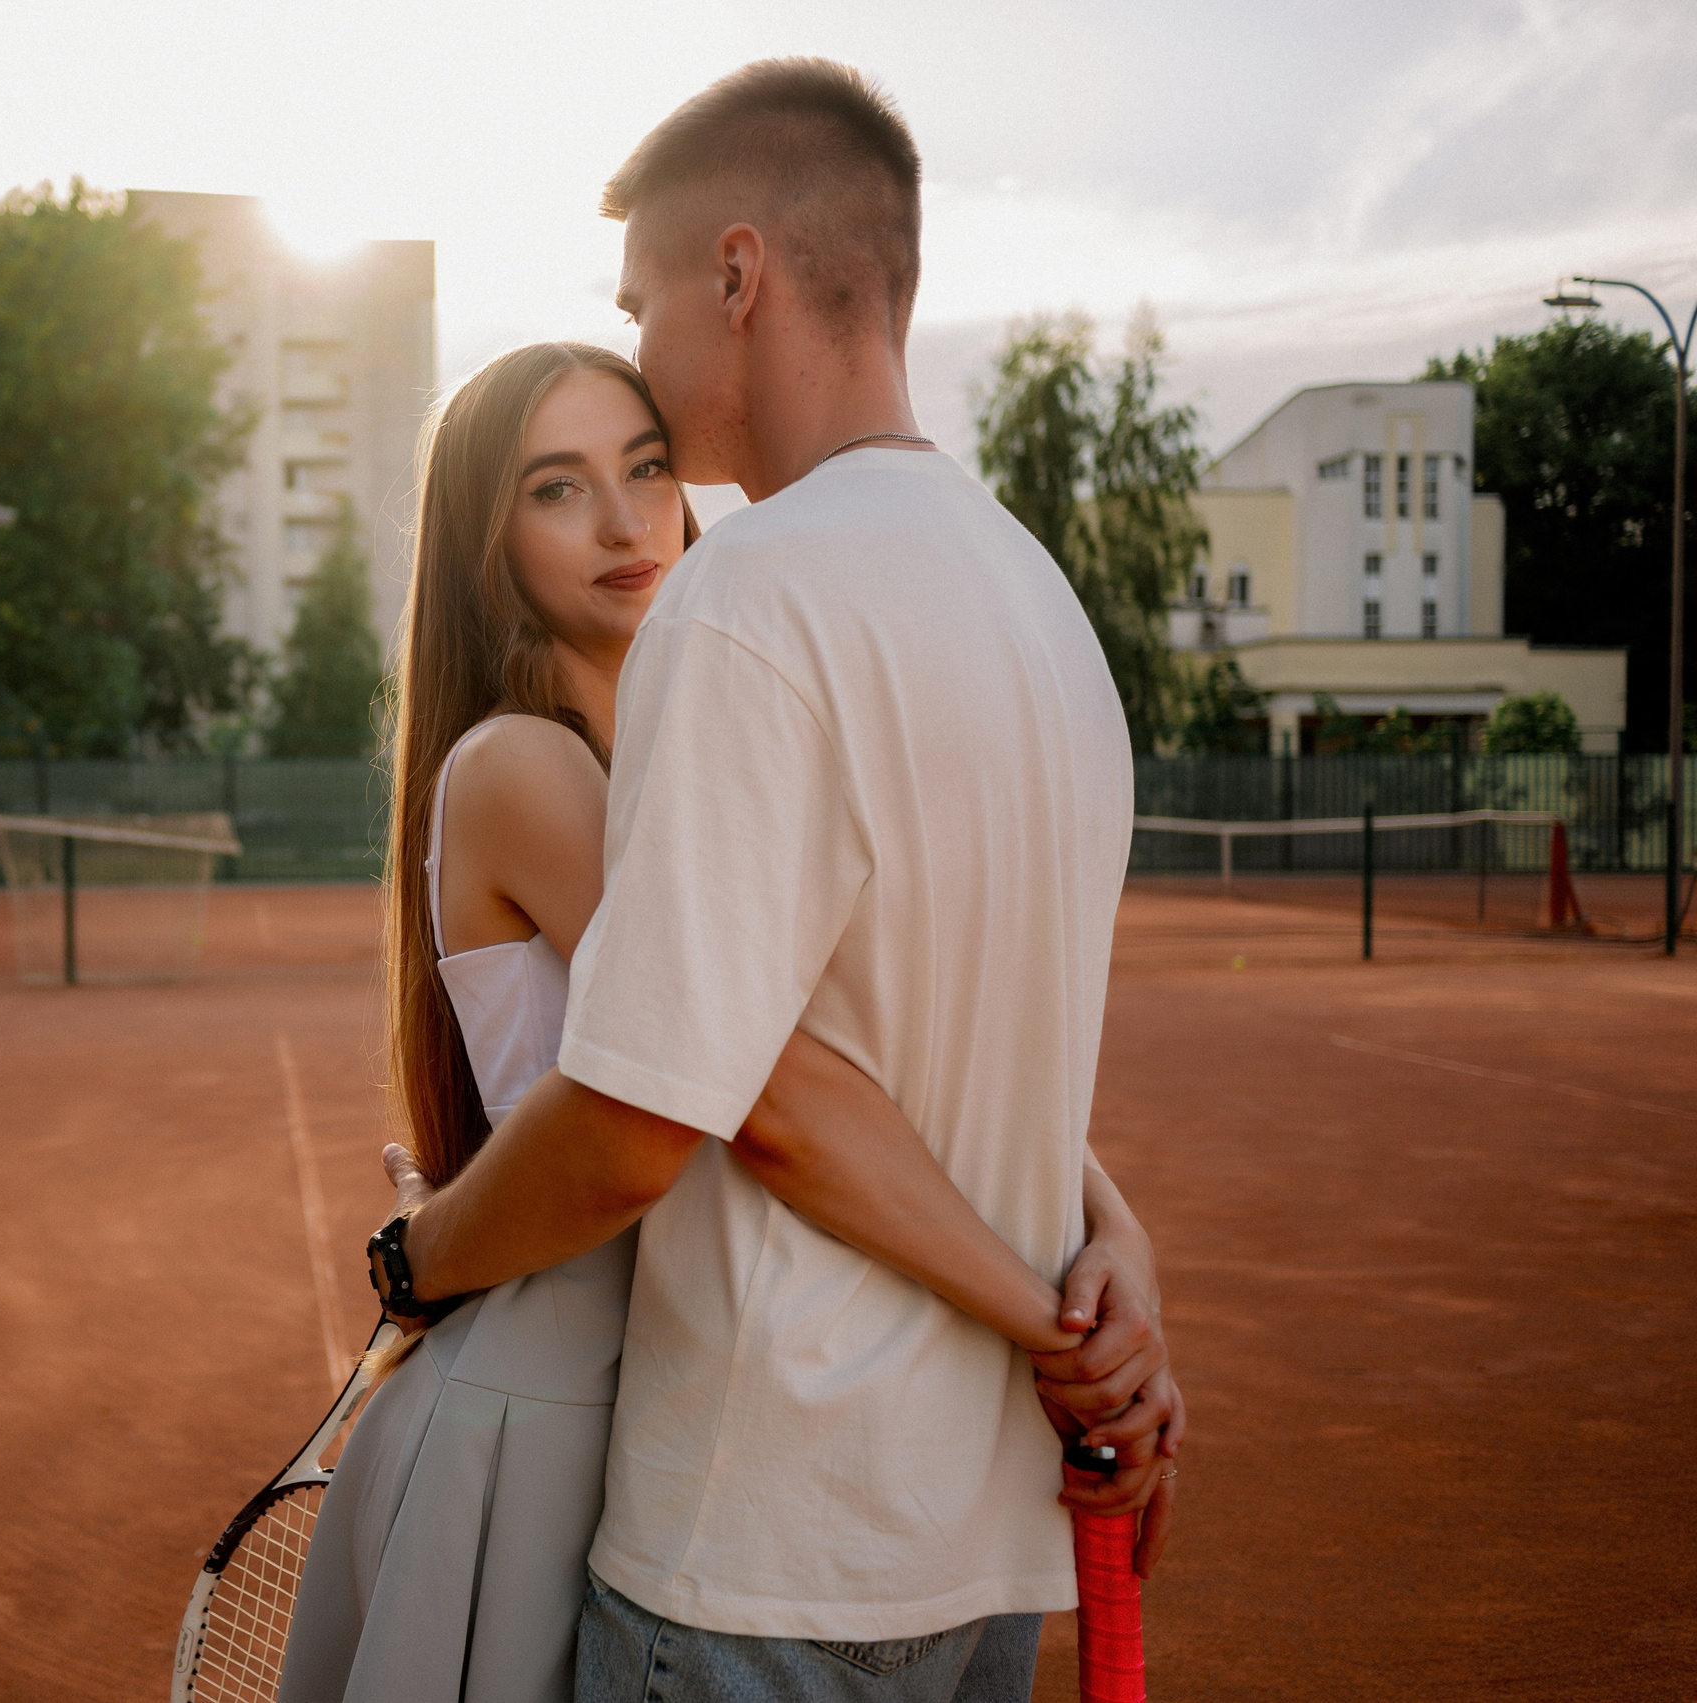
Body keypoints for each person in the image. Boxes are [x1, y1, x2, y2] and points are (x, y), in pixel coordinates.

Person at [374, 60, 1183, 1702]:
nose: (651, 422)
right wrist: (1099, 1270)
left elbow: (713, 1103)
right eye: (558, 482)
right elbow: (910, 1037)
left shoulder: (749, 605)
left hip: (766, 1540)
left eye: (642, 307)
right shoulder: (1040, 609)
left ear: (734, 275)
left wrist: (410, 1257)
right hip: (964, 1543)